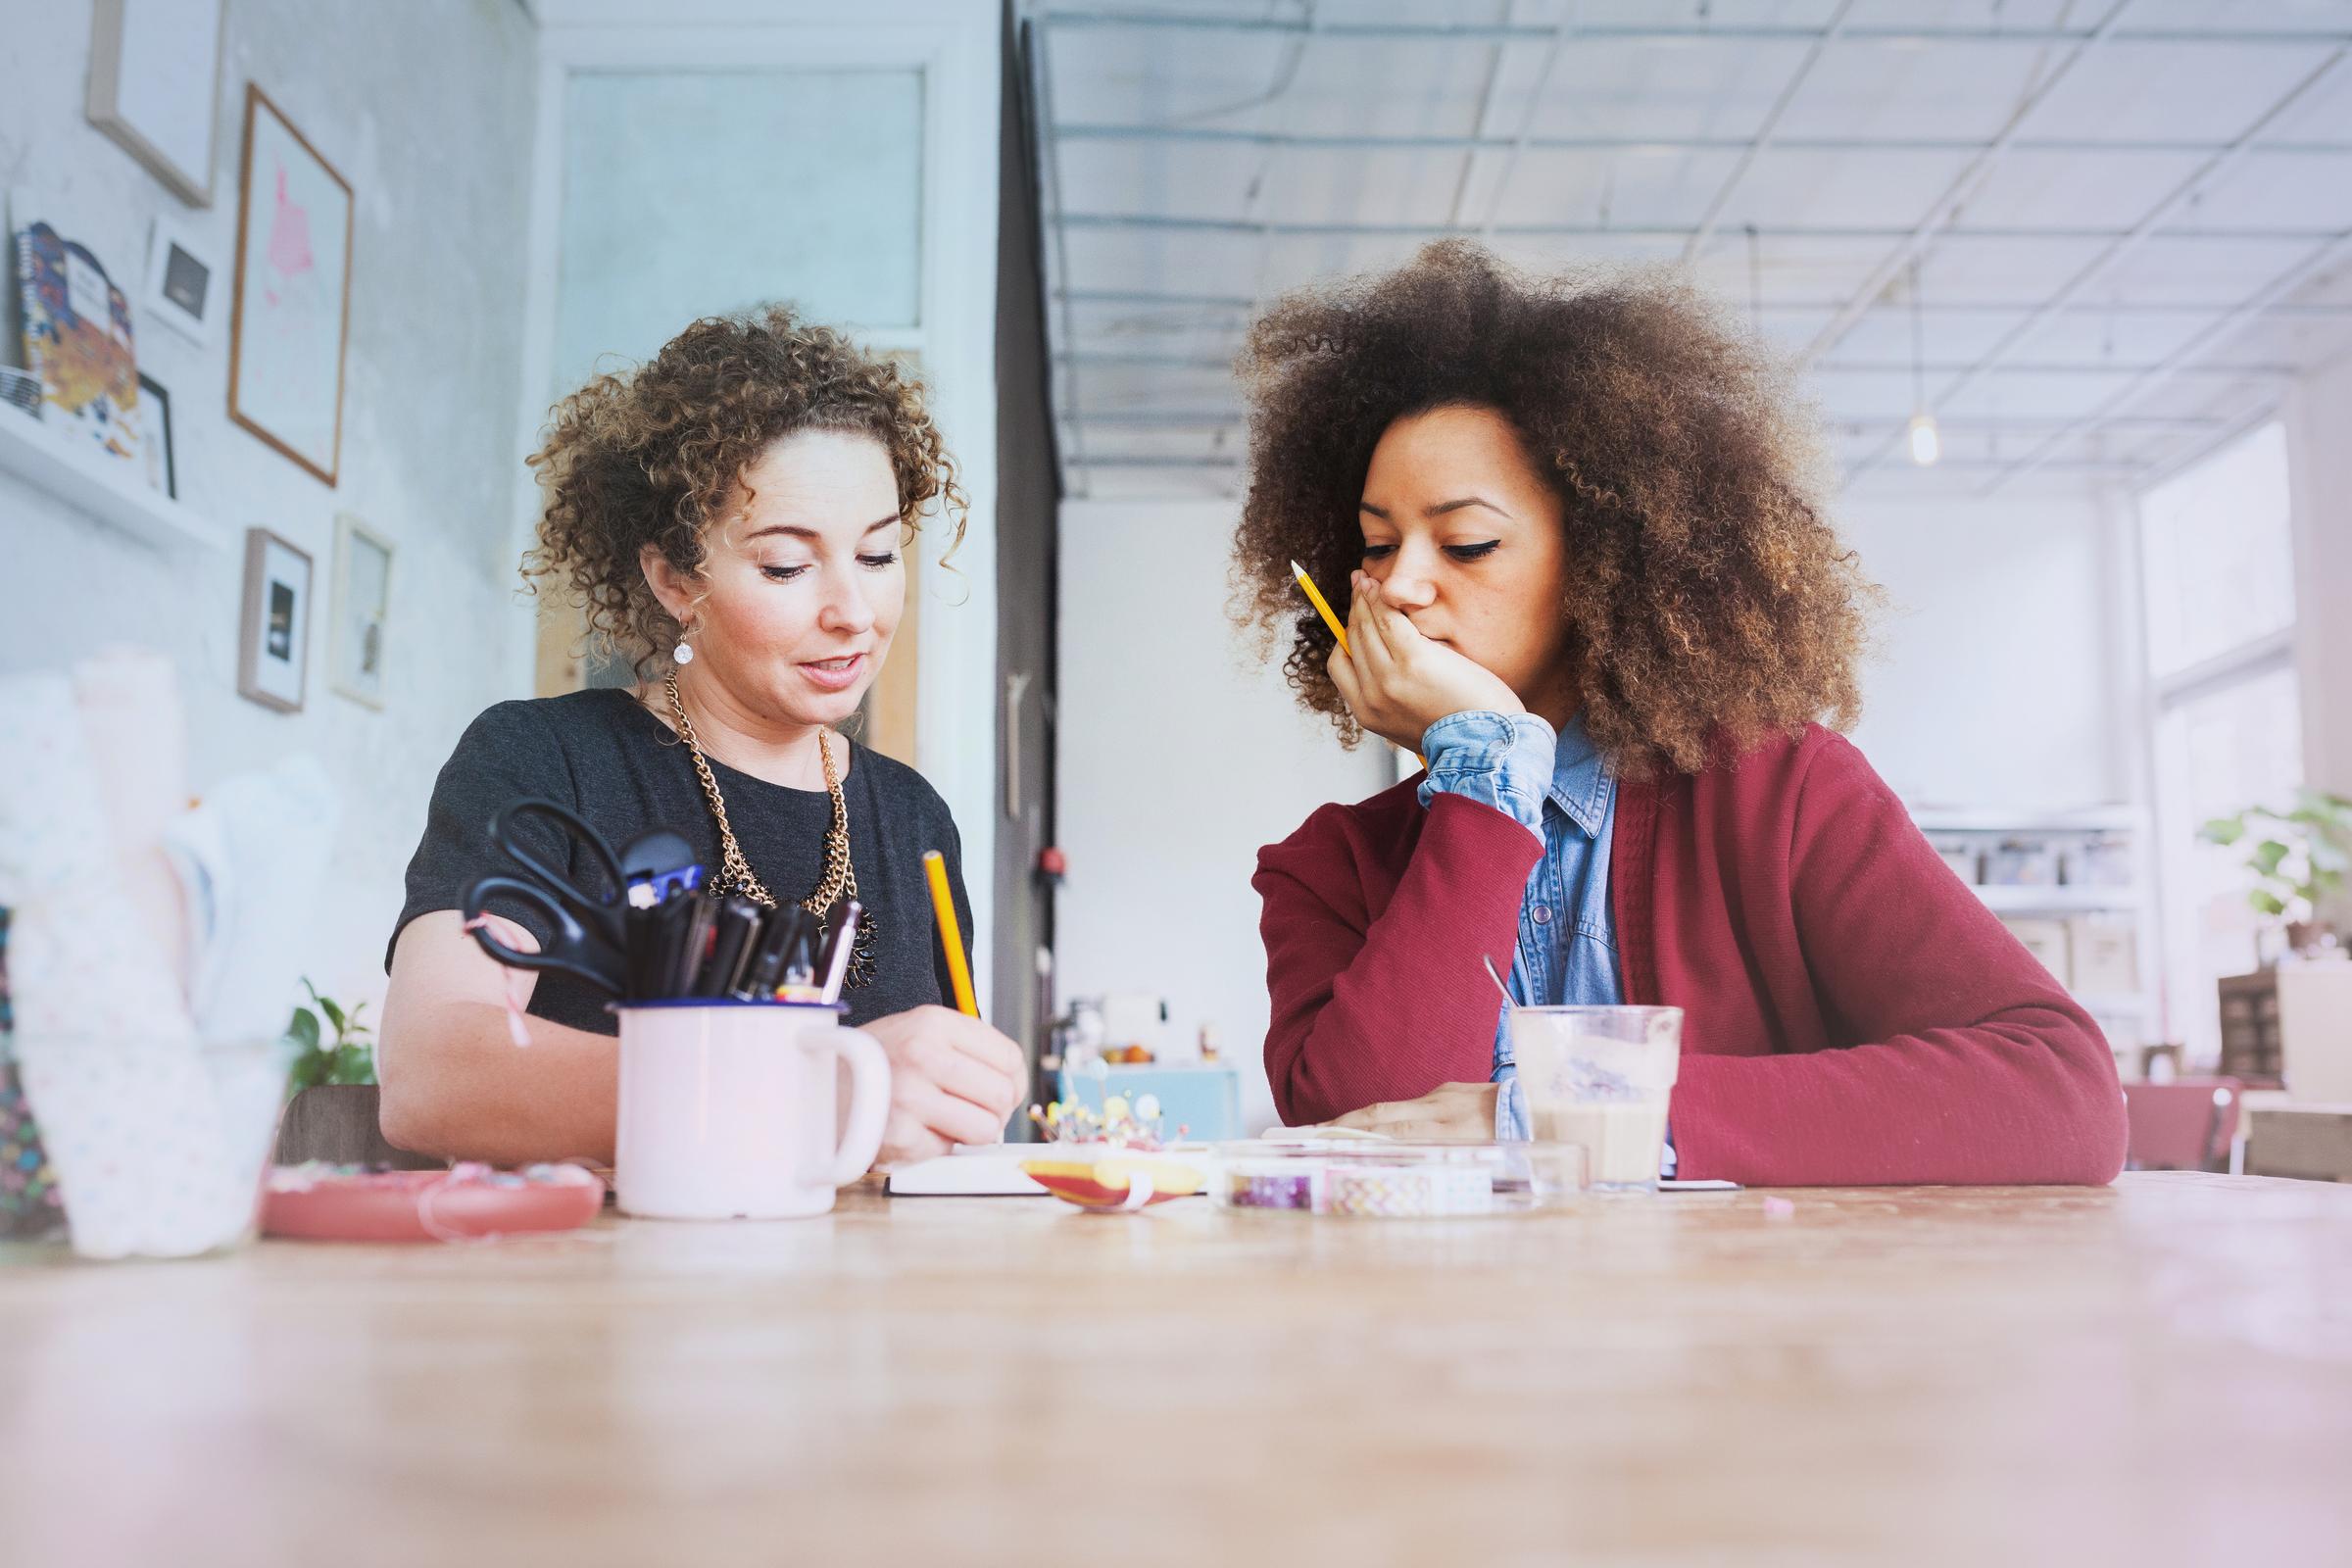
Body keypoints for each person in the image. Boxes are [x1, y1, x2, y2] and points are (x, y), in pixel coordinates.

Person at [1234, 241, 2126, 1186]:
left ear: (1604, 558)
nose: (1400, 584)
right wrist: (1485, 772)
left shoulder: (1781, 797)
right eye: (1378, 543)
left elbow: (2061, 1092)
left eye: (1467, 542)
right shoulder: (1326, 870)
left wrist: (1563, 1119)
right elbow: (1362, 1137)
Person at [377, 308, 1025, 1168]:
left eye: (877, 555)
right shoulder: (543, 763)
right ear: (675, 579)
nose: (853, 613)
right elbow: (433, 1078)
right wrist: (804, 1094)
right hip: (603, 1296)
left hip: (865, 1299)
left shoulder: (913, 819)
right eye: (787, 566)